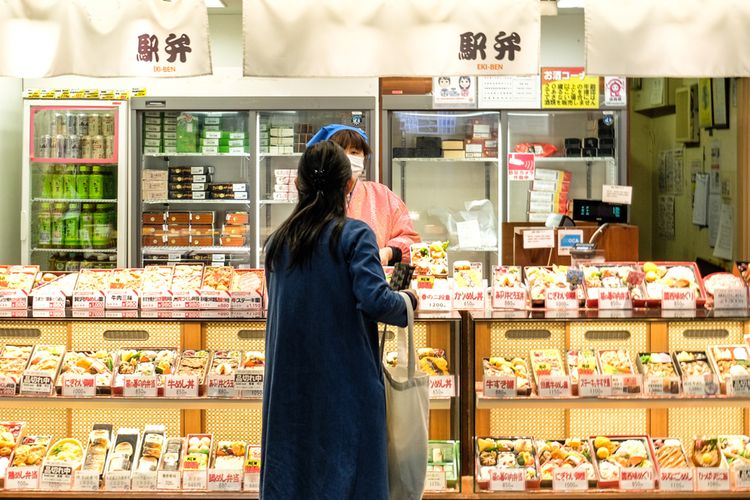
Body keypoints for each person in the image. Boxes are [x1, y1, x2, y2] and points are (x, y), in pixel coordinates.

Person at [261, 140, 418, 500]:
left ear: (298, 185)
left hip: (289, 385)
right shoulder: (354, 235)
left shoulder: (278, 242)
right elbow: (377, 301)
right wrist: (408, 300)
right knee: (352, 476)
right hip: (345, 383)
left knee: (293, 474)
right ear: (348, 186)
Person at [307, 124, 421, 266]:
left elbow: (410, 241)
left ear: (364, 157)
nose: (347, 158)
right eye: (340, 152)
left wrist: (389, 252)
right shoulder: (314, 199)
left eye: (354, 152)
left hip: (374, 280)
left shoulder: (382, 195)